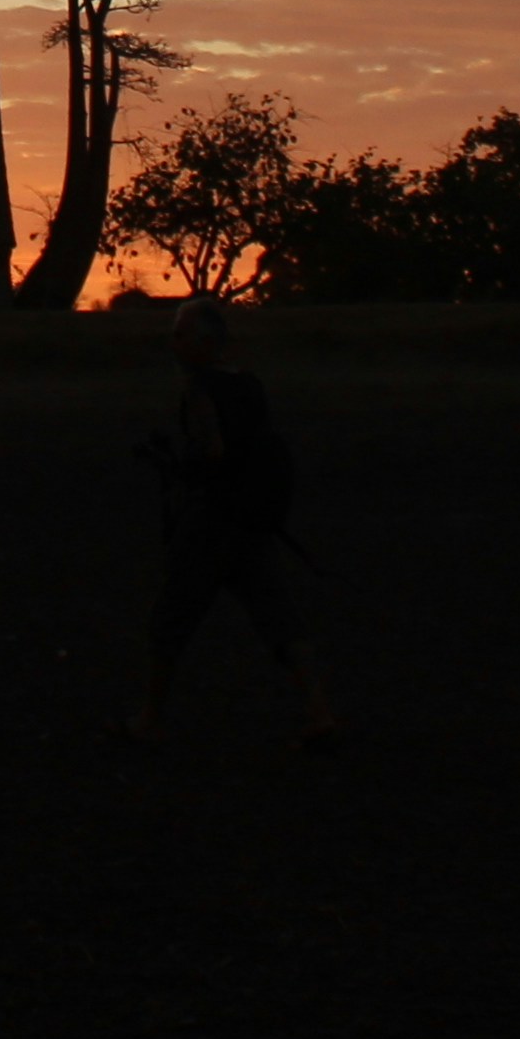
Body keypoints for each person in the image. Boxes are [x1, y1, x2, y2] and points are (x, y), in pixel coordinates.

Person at [130, 296, 337, 749]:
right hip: (251, 519)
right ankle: (318, 710)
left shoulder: (200, 389)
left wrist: (179, 471)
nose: (173, 342)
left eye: (180, 334)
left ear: (203, 342)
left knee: (171, 619)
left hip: (212, 522)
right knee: (277, 616)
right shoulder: (248, 383)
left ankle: (149, 719)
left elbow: (213, 452)